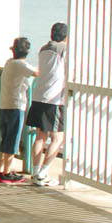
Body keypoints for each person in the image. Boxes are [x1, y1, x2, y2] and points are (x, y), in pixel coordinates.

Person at [28, 21, 69, 186]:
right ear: (66, 36)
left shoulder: (43, 49)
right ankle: (43, 173)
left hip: (38, 95)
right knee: (58, 138)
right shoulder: (64, 50)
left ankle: (36, 172)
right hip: (54, 99)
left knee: (40, 137)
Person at [0, 36, 35, 184]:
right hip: (16, 105)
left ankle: (0, 170)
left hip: (4, 104)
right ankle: (8, 172)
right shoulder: (21, 65)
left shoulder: (9, 63)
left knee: (4, 139)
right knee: (13, 140)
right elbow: (37, 73)